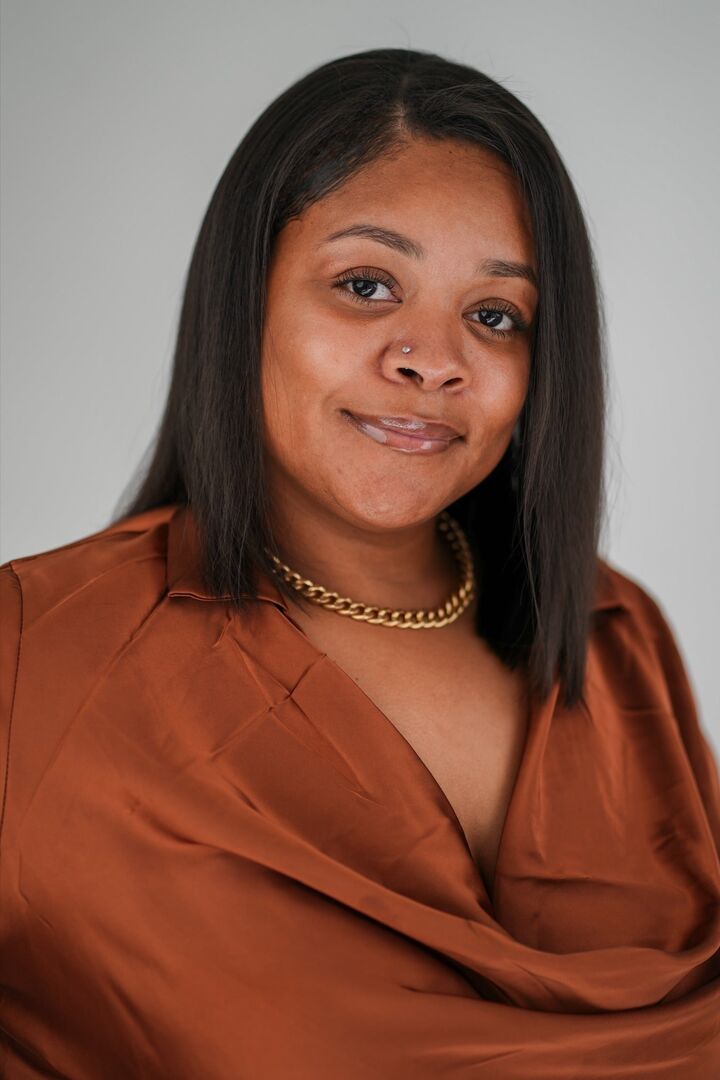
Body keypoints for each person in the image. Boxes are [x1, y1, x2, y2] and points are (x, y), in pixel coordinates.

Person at [1, 47, 718, 1079]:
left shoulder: (617, 638)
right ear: (245, 300)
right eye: (367, 285)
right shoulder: (33, 658)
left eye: (494, 315)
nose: (433, 361)